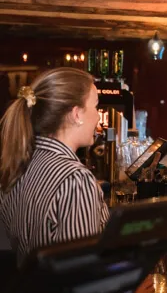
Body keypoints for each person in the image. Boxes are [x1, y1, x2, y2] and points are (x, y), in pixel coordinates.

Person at [0, 68, 109, 266]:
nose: (98, 118)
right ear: (76, 114)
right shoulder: (76, 180)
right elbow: (80, 274)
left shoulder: (17, 167)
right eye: (95, 107)